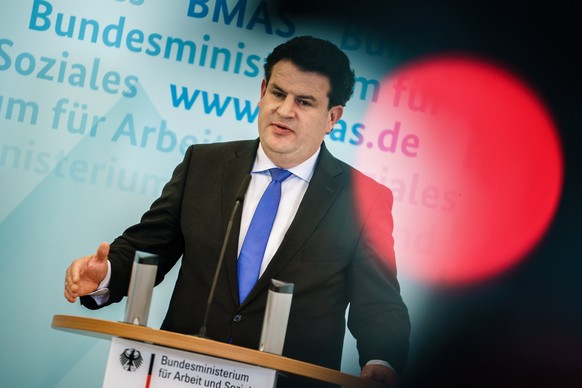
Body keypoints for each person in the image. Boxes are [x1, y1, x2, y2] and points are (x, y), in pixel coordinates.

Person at [64, 36, 410, 387]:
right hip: (181, 374)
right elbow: (148, 247)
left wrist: (381, 359)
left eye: (304, 102)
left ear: (332, 117)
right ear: (262, 91)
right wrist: (106, 274)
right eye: (278, 93)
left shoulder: (363, 199)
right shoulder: (204, 165)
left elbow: (378, 303)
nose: (285, 110)